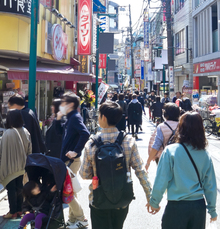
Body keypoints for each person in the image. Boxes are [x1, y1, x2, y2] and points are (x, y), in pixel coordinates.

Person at [80, 101, 152, 229]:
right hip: (122, 199)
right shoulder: (128, 141)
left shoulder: (91, 143)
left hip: (98, 199)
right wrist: (150, 196)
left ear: (103, 118)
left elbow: (84, 174)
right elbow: (140, 170)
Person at [148, 112, 218, 228]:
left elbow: (162, 179)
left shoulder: (171, 151)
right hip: (198, 207)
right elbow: (210, 185)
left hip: (176, 207)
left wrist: (154, 202)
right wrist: (212, 210)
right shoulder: (205, 154)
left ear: (181, 128)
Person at [0, 109, 33, 219]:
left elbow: (1, 152)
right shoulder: (26, 132)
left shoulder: (7, 133)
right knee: (20, 187)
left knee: (11, 189)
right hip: (22, 166)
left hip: (9, 167)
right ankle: (20, 210)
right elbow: (30, 150)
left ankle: (12, 211)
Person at [60, 92, 90, 228]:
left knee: (67, 190)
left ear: (71, 104)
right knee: (70, 190)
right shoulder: (71, 117)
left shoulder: (75, 117)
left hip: (71, 160)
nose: (61, 105)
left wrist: (75, 151)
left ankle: (80, 218)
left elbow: (85, 133)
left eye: (64, 103)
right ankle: (73, 219)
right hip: (69, 159)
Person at [145, 103, 180, 170]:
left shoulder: (161, 127)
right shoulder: (182, 125)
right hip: (179, 158)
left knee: (164, 178)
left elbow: (156, 145)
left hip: (164, 158)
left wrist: (148, 162)